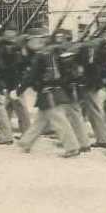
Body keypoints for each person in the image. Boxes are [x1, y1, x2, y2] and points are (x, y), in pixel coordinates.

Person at [17, 28, 80, 158]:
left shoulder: (40, 55)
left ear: (37, 40)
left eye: (30, 40)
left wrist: (19, 90)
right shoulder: (55, 51)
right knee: (40, 119)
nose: (28, 43)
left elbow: (30, 76)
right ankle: (25, 143)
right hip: (56, 90)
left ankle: (72, 147)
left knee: (59, 121)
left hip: (49, 93)